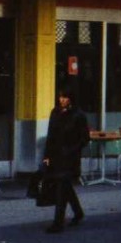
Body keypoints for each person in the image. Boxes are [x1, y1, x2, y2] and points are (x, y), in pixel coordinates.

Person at [42, 90, 89, 233]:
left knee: (62, 187)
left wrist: (71, 150)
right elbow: (50, 135)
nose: (62, 100)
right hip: (56, 156)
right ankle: (78, 212)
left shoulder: (78, 115)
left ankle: (58, 223)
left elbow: (84, 138)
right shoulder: (55, 112)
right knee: (65, 186)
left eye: (65, 97)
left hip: (70, 158)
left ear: (71, 99)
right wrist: (46, 156)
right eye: (61, 97)